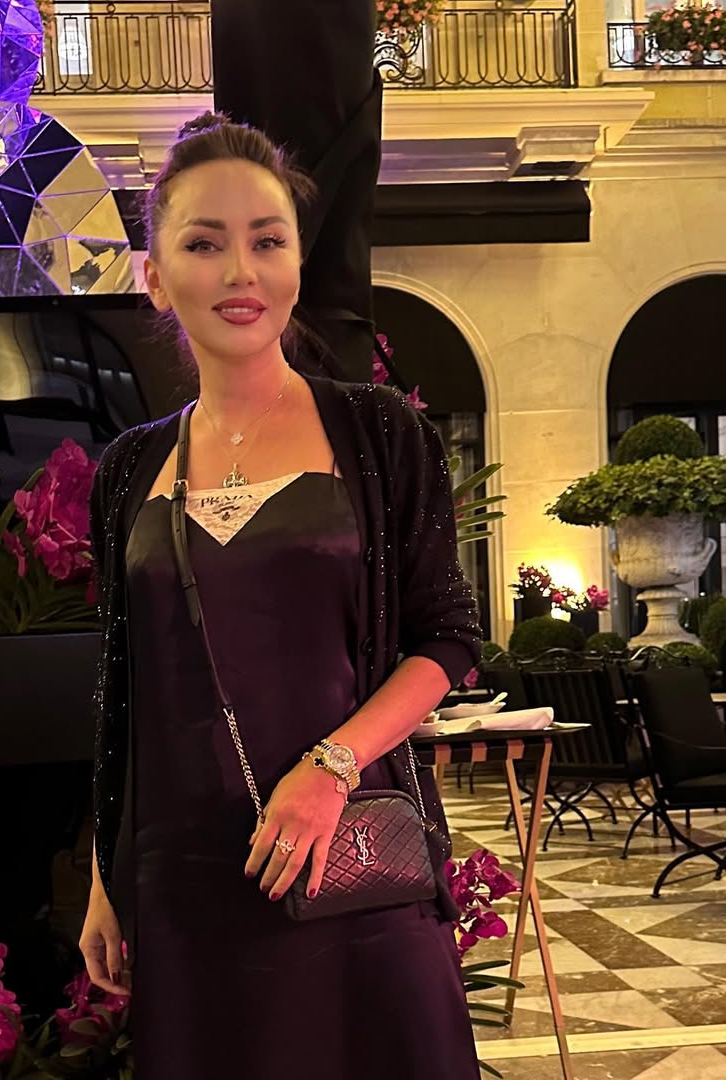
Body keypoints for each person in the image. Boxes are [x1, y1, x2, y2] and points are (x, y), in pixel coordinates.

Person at [80, 111, 483, 1079]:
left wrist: (331, 768)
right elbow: (126, 690)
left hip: (354, 865)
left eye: (267, 241)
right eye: (204, 244)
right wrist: (103, 873)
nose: (241, 272)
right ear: (154, 277)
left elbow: (449, 639)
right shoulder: (128, 470)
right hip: (189, 890)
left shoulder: (379, 434)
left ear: (299, 261)